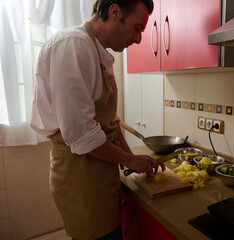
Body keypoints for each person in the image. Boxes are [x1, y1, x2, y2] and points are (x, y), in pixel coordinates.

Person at [30, 0, 164, 239]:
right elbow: (80, 133)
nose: (139, 39)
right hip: (81, 175)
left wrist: (130, 157)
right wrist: (128, 159)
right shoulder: (73, 45)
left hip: (100, 169)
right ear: (114, 12)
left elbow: (110, 121)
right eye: (137, 28)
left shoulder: (98, 52)